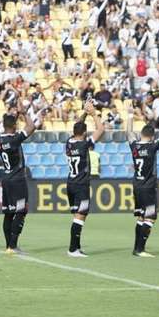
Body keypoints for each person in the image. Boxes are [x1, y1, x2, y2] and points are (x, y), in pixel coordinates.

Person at [126, 105, 159, 257]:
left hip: (136, 184)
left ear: (141, 134)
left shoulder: (134, 145)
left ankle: (137, 248)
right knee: (151, 217)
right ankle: (140, 249)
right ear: (152, 136)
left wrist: (129, 115)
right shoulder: (152, 146)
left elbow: (128, 132)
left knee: (141, 216)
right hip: (148, 186)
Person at [0, 108, 38, 254]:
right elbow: (32, 127)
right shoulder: (14, 139)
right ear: (14, 127)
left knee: (8, 213)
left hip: (6, 179)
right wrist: (25, 113)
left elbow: (12, 130)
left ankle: (8, 245)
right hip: (18, 180)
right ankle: (13, 245)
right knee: (21, 210)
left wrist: (15, 116)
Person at [64, 101, 105, 257]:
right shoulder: (84, 144)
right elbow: (101, 129)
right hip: (81, 184)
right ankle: (73, 249)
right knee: (80, 216)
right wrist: (93, 113)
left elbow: (79, 126)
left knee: (77, 215)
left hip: (71, 182)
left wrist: (85, 113)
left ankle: (76, 247)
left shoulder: (69, 143)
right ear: (85, 132)